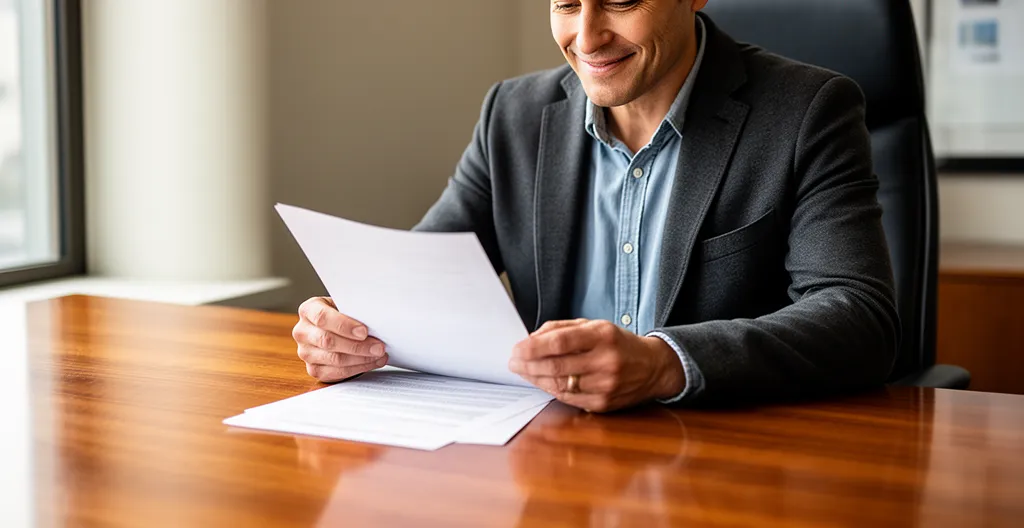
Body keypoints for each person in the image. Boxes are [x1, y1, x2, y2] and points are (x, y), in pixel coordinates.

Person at [291, 0, 899, 410]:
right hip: (548, 456)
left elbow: (859, 318)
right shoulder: (513, 116)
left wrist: (663, 364)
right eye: (565, 3)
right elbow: (418, 281)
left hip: (717, 459)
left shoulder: (807, 111)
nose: (587, 37)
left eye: (621, 0)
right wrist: (350, 326)